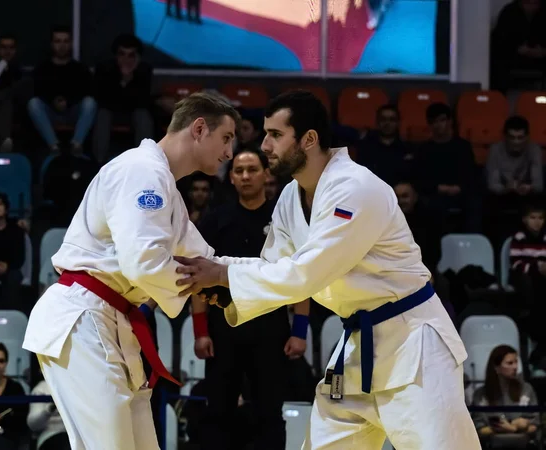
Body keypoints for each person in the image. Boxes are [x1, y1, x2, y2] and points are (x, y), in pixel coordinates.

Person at [174, 90, 481, 449]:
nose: (265, 145)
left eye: (275, 134)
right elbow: (276, 266)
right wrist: (217, 270)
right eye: (265, 134)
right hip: (357, 346)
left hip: (413, 346)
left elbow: (308, 273)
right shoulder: (291, 195)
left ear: (308, 139)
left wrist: (223, 276)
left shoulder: (355, 188)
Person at [22, 92, 242, 450]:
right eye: (227, 138)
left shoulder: (164, 185)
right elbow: (145, 263)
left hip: (113, 322)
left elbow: (205, 261)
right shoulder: (141, 170)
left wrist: (272, 277)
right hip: (82, 318)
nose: (229, 153)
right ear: (200, 128)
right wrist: (212, 285)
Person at [193, 147, 310, 450]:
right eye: (239, 171)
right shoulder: (215, 220)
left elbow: (302, 274)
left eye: (252, 170)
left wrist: (299, 331)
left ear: (265, 174)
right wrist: (200, 331)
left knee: (269, 411)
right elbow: (198, 276)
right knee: (218, 409)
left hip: (270, 327)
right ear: (230, 177)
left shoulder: (281, 220)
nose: (246, 176)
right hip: (223, 327)